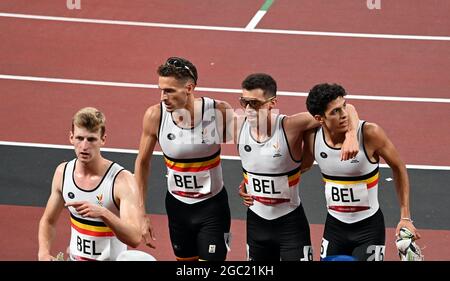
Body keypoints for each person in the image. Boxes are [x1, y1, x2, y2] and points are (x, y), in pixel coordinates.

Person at [237, 74, 360, 261]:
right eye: (244, 102)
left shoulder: (291, 126)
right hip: (256, 225)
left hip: (290, 225)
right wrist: (250, 181)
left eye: (254, 104)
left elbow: (347, 107)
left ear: (272, 103)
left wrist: (351, 135)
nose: (248, 110)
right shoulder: (237, 126)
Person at [301, 83, 421, 261]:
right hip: (334, 228)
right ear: (319, 118)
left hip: (369, 229)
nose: (343, 115)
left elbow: (399, 167)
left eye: (343, 107)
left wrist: (405, 217)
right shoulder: (312, 137)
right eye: (335, 112)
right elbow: (301, 167)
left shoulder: (370, 134)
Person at [134, 57, 232, 261]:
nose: (163, 97)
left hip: (212, 208)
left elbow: (249, 145)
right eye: (161, 90)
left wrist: (248, 182)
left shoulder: (217, 112)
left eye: (169, 91)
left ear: (189, 88)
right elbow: (142, 163)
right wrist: (141, 213)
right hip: (178, 208)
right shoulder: (156, 116)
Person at [38, 107, 143, 261]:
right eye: (80, 138)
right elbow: (48, 221)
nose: (84, 146)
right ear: (71, 137)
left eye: (92, 139)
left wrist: (104, 213)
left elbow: (135, 237)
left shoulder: (122, 181)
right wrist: (44, 253)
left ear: (103, 139)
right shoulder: (63, 173)